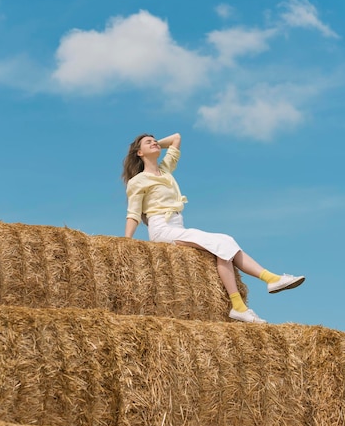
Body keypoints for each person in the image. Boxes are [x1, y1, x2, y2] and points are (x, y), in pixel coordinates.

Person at [122, 132, 305, 323]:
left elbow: (176, 138)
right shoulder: (138, 181)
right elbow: (133, 213)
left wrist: (154, 145)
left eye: (155, 140)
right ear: (138, 153)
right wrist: (126, 242)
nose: (154, 143)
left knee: (224, 242)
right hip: (162, 228)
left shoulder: (165, 170)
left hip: (178, 225)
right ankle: (269, 280)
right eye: (148, 142)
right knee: (220, 242)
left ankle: (241, 304)